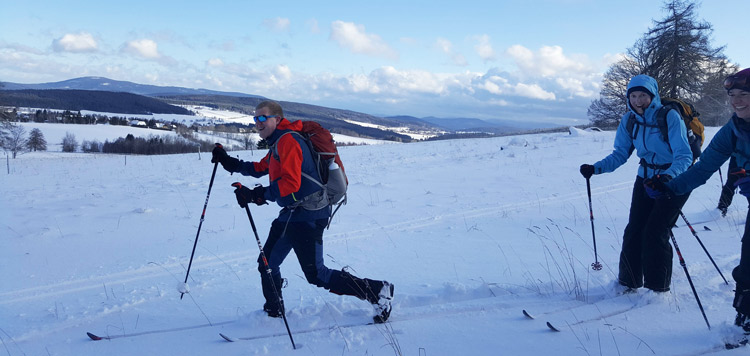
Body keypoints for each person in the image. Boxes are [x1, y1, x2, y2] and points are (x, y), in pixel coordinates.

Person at [211, 100, 394, 323]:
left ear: (277, 119)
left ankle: (377, 291)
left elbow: (291, 184)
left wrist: (257, 196)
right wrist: (229, 162)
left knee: (316, 274)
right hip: (292, 214)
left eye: (262, 118)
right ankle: (273, 311)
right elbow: (261, 168)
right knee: (267, 263)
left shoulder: (288, 140)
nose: (257, 123)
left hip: (309, 214)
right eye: (254, 118)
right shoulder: (279, 141)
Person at [656, 68, 750, 332]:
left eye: (744, 94)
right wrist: (670, 187)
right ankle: (745, 323)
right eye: (732, 95)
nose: (736, 100)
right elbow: (703, 168)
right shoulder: (733, 130)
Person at [579, 74, 693, 293]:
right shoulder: (629, 120)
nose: (638, 100)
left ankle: (657, 289)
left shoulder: (669, 116)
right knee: (634, 230)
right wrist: (595, 168)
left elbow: (684, 156)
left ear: (653, 95)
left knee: (655, 232)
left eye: (643, 95)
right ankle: (628, 282)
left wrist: (668, 177)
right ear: (628, 97)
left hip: (674, 180)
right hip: (646, 179)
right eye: (633, 95)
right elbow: (620, 154)